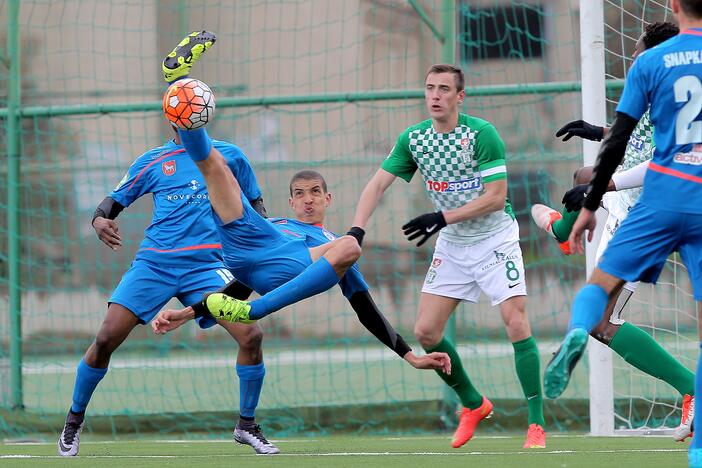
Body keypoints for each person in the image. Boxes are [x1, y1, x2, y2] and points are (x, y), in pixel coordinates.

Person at [57, 32, 280, 457]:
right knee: (105, 338)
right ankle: (73, 421)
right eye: (182, 107)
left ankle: (247, 425)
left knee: (251, 334)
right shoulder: (152, 161)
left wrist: (262, 240)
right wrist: (99, 220)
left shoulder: (229, 156)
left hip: (207, 267)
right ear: (172, 114)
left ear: (204, 113)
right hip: (155, 264)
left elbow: (256, 207)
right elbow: (111, 203)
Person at [532, 3, 702, 465]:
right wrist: (597, 132)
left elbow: (656, 154)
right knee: (580, 172)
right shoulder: (680, 78)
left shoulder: (654, 70)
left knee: (600, 321)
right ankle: (563, 229)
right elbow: (653, 133)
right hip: (676, 201)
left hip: (646, 209)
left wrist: (601, 186)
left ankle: (691, 391)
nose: (634, 63)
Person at [349, 64, 545, 449]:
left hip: (495, 239)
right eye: (429, 88)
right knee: (426, 333)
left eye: (443, 89)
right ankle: (473, 404)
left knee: (515, 321)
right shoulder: (415, 139)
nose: (435, 95)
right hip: (453, 245)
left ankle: (536, 424)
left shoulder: (481, 134)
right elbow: (377, 184)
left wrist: (441, 217)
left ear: (460, 96)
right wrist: (356, 231)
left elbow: (495, 198)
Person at [152, 169, 452, 375]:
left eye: (315, 192)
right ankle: (193, 145)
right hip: (258, 261)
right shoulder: (276, 226)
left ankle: (257, 310)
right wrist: (186, 314)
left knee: (351, 245)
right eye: (300, 194)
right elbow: (242, 283)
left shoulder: (334, 246)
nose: (308, 199)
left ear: (327, 199)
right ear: (291, 202)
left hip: (300, 268)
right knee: (222, 182)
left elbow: (365, 308)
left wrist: (410, 355)